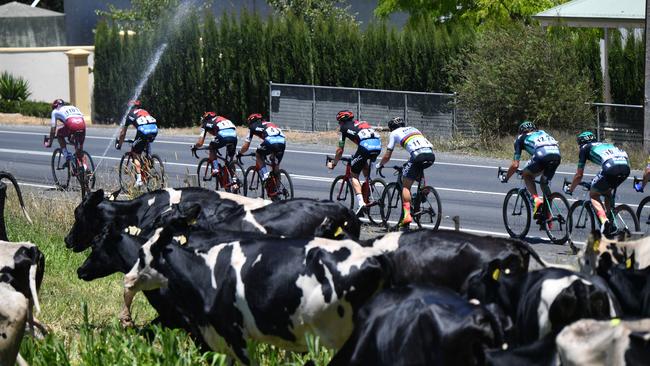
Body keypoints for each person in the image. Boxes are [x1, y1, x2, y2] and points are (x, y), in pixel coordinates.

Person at [565, 131, 630, 235]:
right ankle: (610, 221)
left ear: (581, 142)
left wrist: (570, 188)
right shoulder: (604, 144)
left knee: (594, 194)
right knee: (607, 191)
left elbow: (579, 176)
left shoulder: (585, 148)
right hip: (625, 167)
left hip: (610, 167)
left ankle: (605, 222)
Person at [376, 117, 435, 226]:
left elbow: (388, 155)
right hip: (431, 154)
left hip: (417, 155)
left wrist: (380, 165)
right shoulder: (413, 128)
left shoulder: (393, 133)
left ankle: (407, 215)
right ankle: (422, 192)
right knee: (418, 167)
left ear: (391, 128)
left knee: (406, 186)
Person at [500, 121, 561, 218]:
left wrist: (506, 177)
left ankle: (536, 201)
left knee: (527, 174)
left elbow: (515, 165)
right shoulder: (543, 132)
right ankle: (547, 213)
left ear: (521, 132)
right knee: (543, 183)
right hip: (557, 156)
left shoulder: (520, 138)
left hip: (541, 156)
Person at [327, 110, 382, 217]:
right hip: (378, 146)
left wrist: (334, 163)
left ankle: (361, 203)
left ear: (341, 121)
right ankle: (369, 191)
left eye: (339, 122)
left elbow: (339, 150)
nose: (339, 124)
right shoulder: (360, 123)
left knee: (354, 175)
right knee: (364, 168)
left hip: (365, 147)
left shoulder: (343, 128)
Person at [237, 113, 286, 193]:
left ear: (251, 121)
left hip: (270, 141)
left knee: (258, 154)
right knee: (275, 165)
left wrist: (240, 153)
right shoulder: (269, 123)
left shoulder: (252, 127)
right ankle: (277, 190)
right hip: (282, 142)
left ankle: (265, 175)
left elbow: (246, 146)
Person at [115, 100, 158, 187]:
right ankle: (149, 160)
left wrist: (119, 144)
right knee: (145, 142)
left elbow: (123, 133)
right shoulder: (144, 111)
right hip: (154, 129)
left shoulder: (130, 114)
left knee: (135, 153)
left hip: (143, 132)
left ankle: (138, 180)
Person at [192, 112, 237, 177]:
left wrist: (195, 146)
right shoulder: (221, 118)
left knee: (211, 147)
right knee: (230, 160)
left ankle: (216, 168)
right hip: (234, 136)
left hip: (223, 136)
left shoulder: (206, 123)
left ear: (205, 119)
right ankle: (235, 181)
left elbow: (200, 143)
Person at [45, 99, 86, 168]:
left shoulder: (55, 111)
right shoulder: (72, 107)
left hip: (71, 123)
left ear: (54, 107)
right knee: (79, 151)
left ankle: (66, 155)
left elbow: (53, 129)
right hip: (82, 124)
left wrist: (50, 142)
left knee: (59, 133)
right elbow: (78, 120)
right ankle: (86, 168)